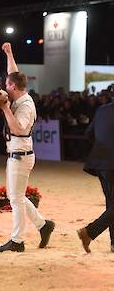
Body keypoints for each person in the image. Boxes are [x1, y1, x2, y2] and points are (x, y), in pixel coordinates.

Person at [0, 42, 55, 253]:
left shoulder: (26, 105)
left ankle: (17, 240)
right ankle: (43, 225)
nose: (5, 87)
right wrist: (10, 53)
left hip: (20, 154)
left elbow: (19, 129)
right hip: (18, 154)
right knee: (16, 196)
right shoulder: (19, 92)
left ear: (12, 87)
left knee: (16, 198)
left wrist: (4, 108)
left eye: (6, 85)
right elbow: (13, 72)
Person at [77, 101, 114, 253]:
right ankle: (90, 232)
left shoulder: (102, 110)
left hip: (99, 161)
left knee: (111, 203)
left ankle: (113, 243)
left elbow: (88, 133)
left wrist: (103, 147)